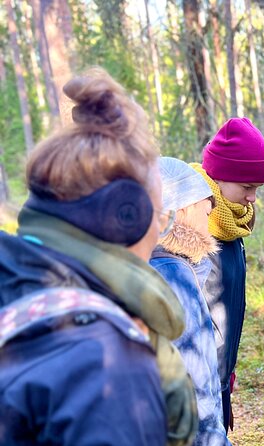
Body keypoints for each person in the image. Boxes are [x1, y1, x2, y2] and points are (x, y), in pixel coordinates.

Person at [0, 69, 197, 445]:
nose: (161, 230)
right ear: (127, 215)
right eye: (160, 216)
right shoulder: (107, 365)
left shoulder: (15, 288)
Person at [190, 117, 264, 432]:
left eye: (257, 188)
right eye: (248, 186)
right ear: (221, 176)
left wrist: (225, 377)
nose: (253, 197)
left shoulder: (230, 224)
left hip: (220, 375)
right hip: (194, 383)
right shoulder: (191, 232)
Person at [150, 157, 231, 446]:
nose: (208, 226)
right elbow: (196, 386)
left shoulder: (137, 266)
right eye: (205, 213)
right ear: (182, 210)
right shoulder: (174, 276)